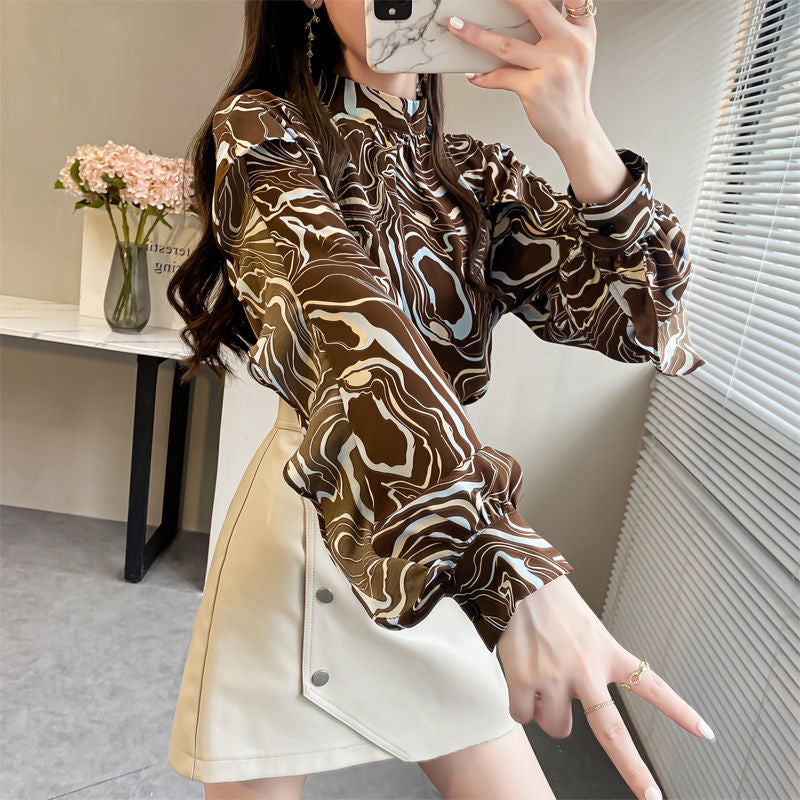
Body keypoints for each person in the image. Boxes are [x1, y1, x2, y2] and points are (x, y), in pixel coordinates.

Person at [166, 1, 714, 799]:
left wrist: (577, 131)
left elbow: (645, 319)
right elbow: (351, 331)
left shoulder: (474, 177)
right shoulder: (263, 131)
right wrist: (509, 565)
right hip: (315, 529)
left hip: (440, 541)